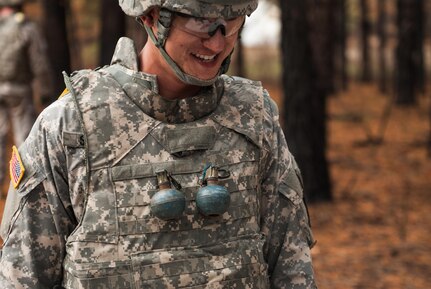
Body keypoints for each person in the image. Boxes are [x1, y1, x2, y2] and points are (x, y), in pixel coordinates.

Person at [0, 0, 318, 288]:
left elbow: (293, 272)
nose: (218, 42)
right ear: (153, 16)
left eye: (231, 22)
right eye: (200, 22)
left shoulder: (253, 117)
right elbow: (22, 277)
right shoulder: (70, 125)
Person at [0, 0, 53, 198]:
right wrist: (46, 91)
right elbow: (39, 61)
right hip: (19, 89)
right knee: (23, 138)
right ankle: (22, 188)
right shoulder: (26, 27)